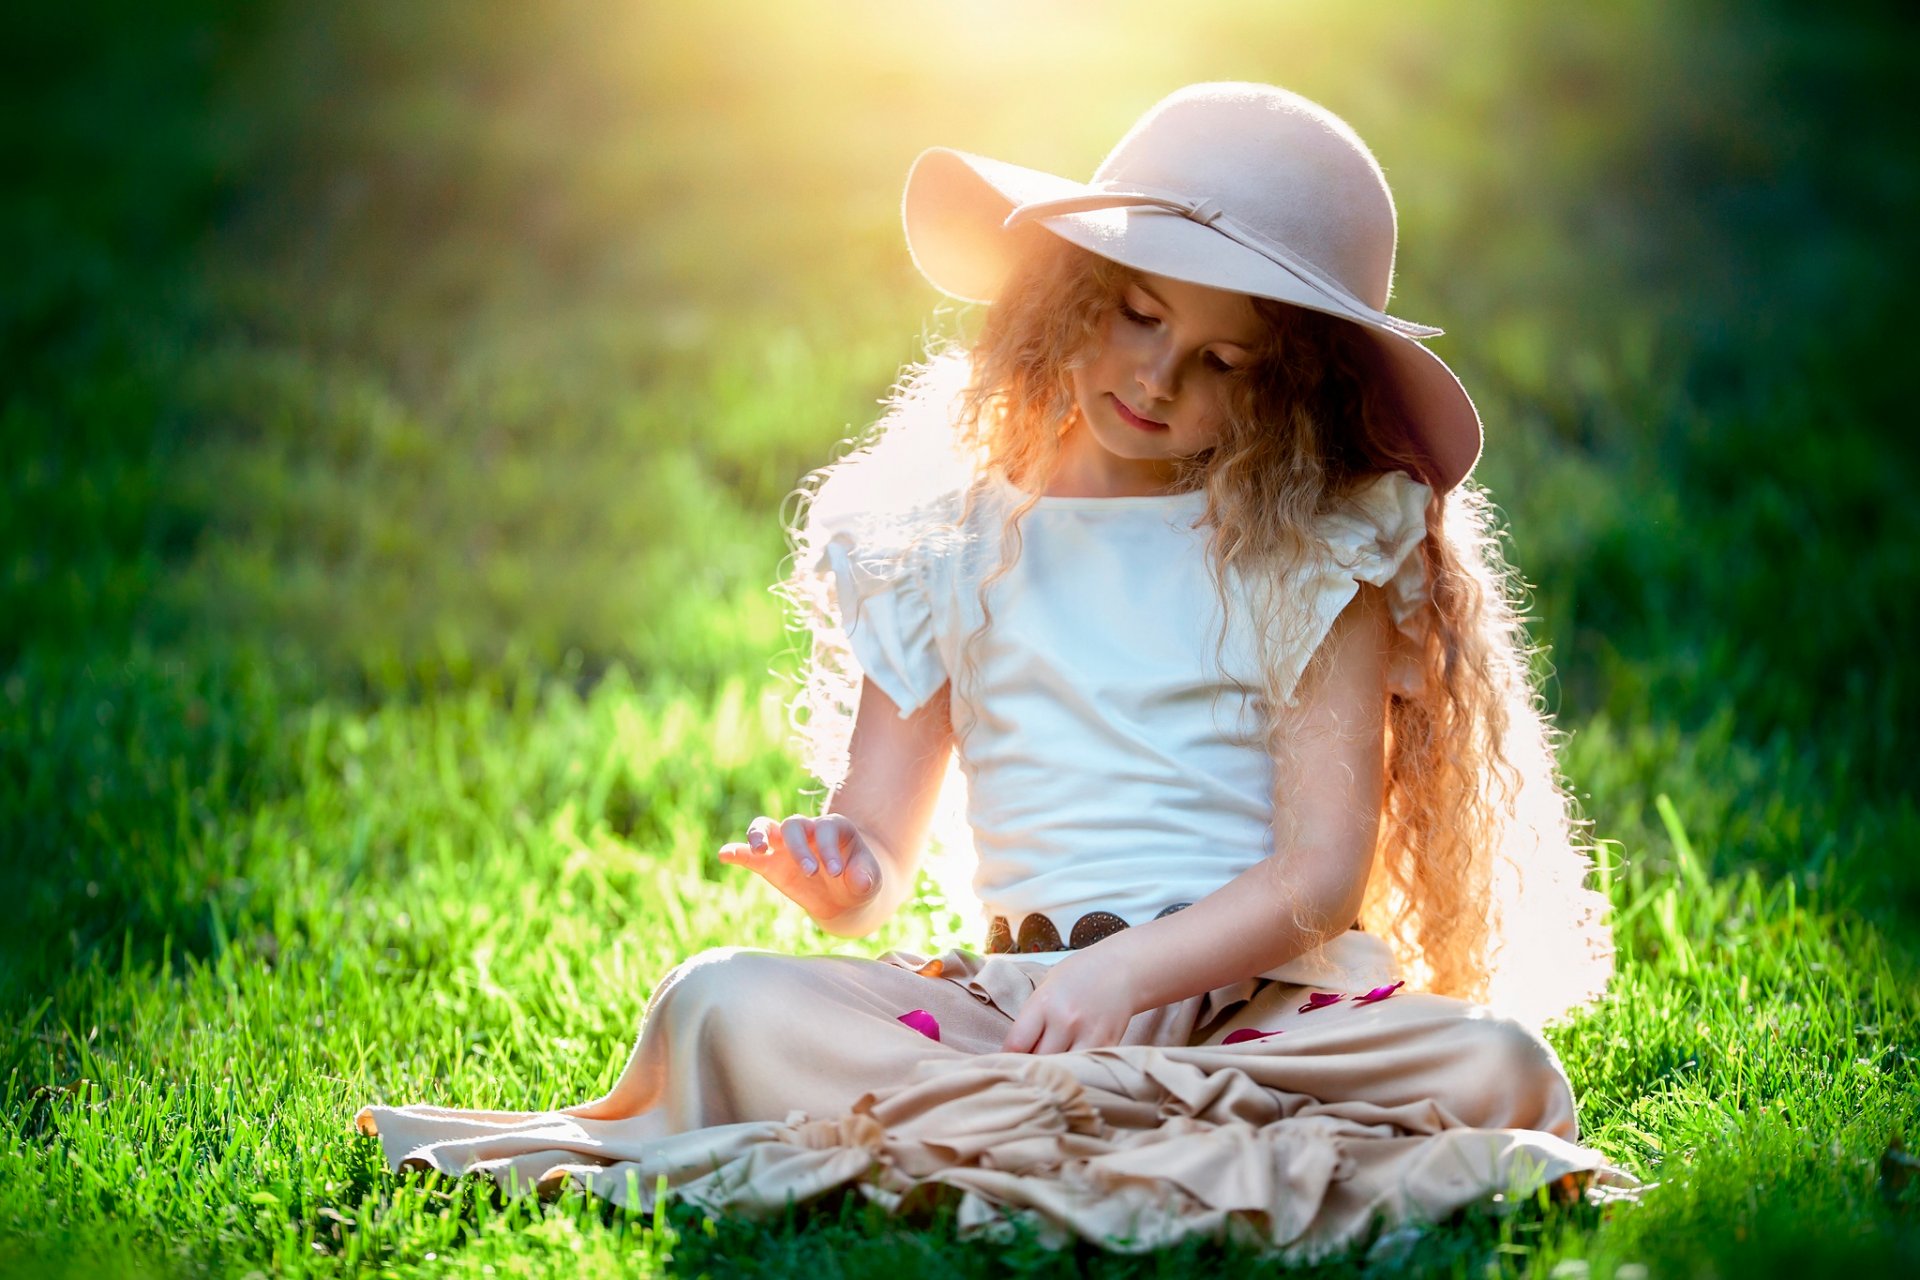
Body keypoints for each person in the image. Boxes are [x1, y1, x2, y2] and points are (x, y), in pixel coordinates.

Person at [356, 82, 1630, 1255]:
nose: (1157, 376)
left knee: (1494, 1064)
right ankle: (1123, 1132)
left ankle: (1040, 1129)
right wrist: (839, 865)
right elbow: (877, 846)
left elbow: (1319, 877)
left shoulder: (1313, 547)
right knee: (719, 1004)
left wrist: (1128, 971)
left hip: (1255, 1014)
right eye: (1138, 316)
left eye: (1223, 362)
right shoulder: (946, 539)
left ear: (1294, 388)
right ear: (1070, 290)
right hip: (1021, 1009)